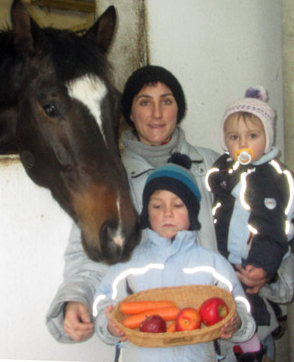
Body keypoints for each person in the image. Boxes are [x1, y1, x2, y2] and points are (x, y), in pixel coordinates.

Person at [45, 66, 294, 361]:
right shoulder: (111, 180)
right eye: (144, 102)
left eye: (166, 100)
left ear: (179, 108)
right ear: (129, 113)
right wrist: (76, 298)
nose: (157, 114)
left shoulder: (218, 169)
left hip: (238, 340)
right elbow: (87, 253)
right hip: (154, 347)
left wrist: (270, 273)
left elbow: (277, 226)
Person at [93, 154, 256, 361]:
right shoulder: (128, 265)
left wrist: (238, 323)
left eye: (178, 205)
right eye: (157, 206)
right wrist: (108, 325)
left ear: (192, 212)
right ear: (146, 213)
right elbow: (101, 303)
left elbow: (241, 308)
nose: (167, 213)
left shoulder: (213, 265)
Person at [206, 86, 294, 360]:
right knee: (228, 306)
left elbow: (272, 228)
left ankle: (254, 346)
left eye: (252, 136)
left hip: (252, 261)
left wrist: (262, 266)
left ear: (267, 139)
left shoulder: (269, 177)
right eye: (234, 137)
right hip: (226, 257)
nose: (242, 144)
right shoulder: (227, 168)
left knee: (248, 303)